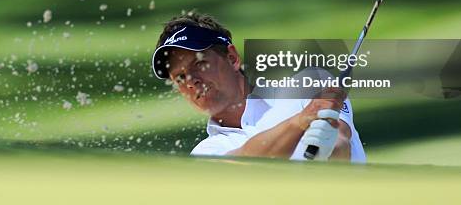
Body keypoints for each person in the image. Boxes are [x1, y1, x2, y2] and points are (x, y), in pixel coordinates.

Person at [151, 12, 366, 162]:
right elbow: (243, 164)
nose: (191, 80)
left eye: (199, 63)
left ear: (233, 58)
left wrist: (325, 145)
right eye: (179, 77)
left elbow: (340, 146)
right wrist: (301, 121)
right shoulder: (205, 152)